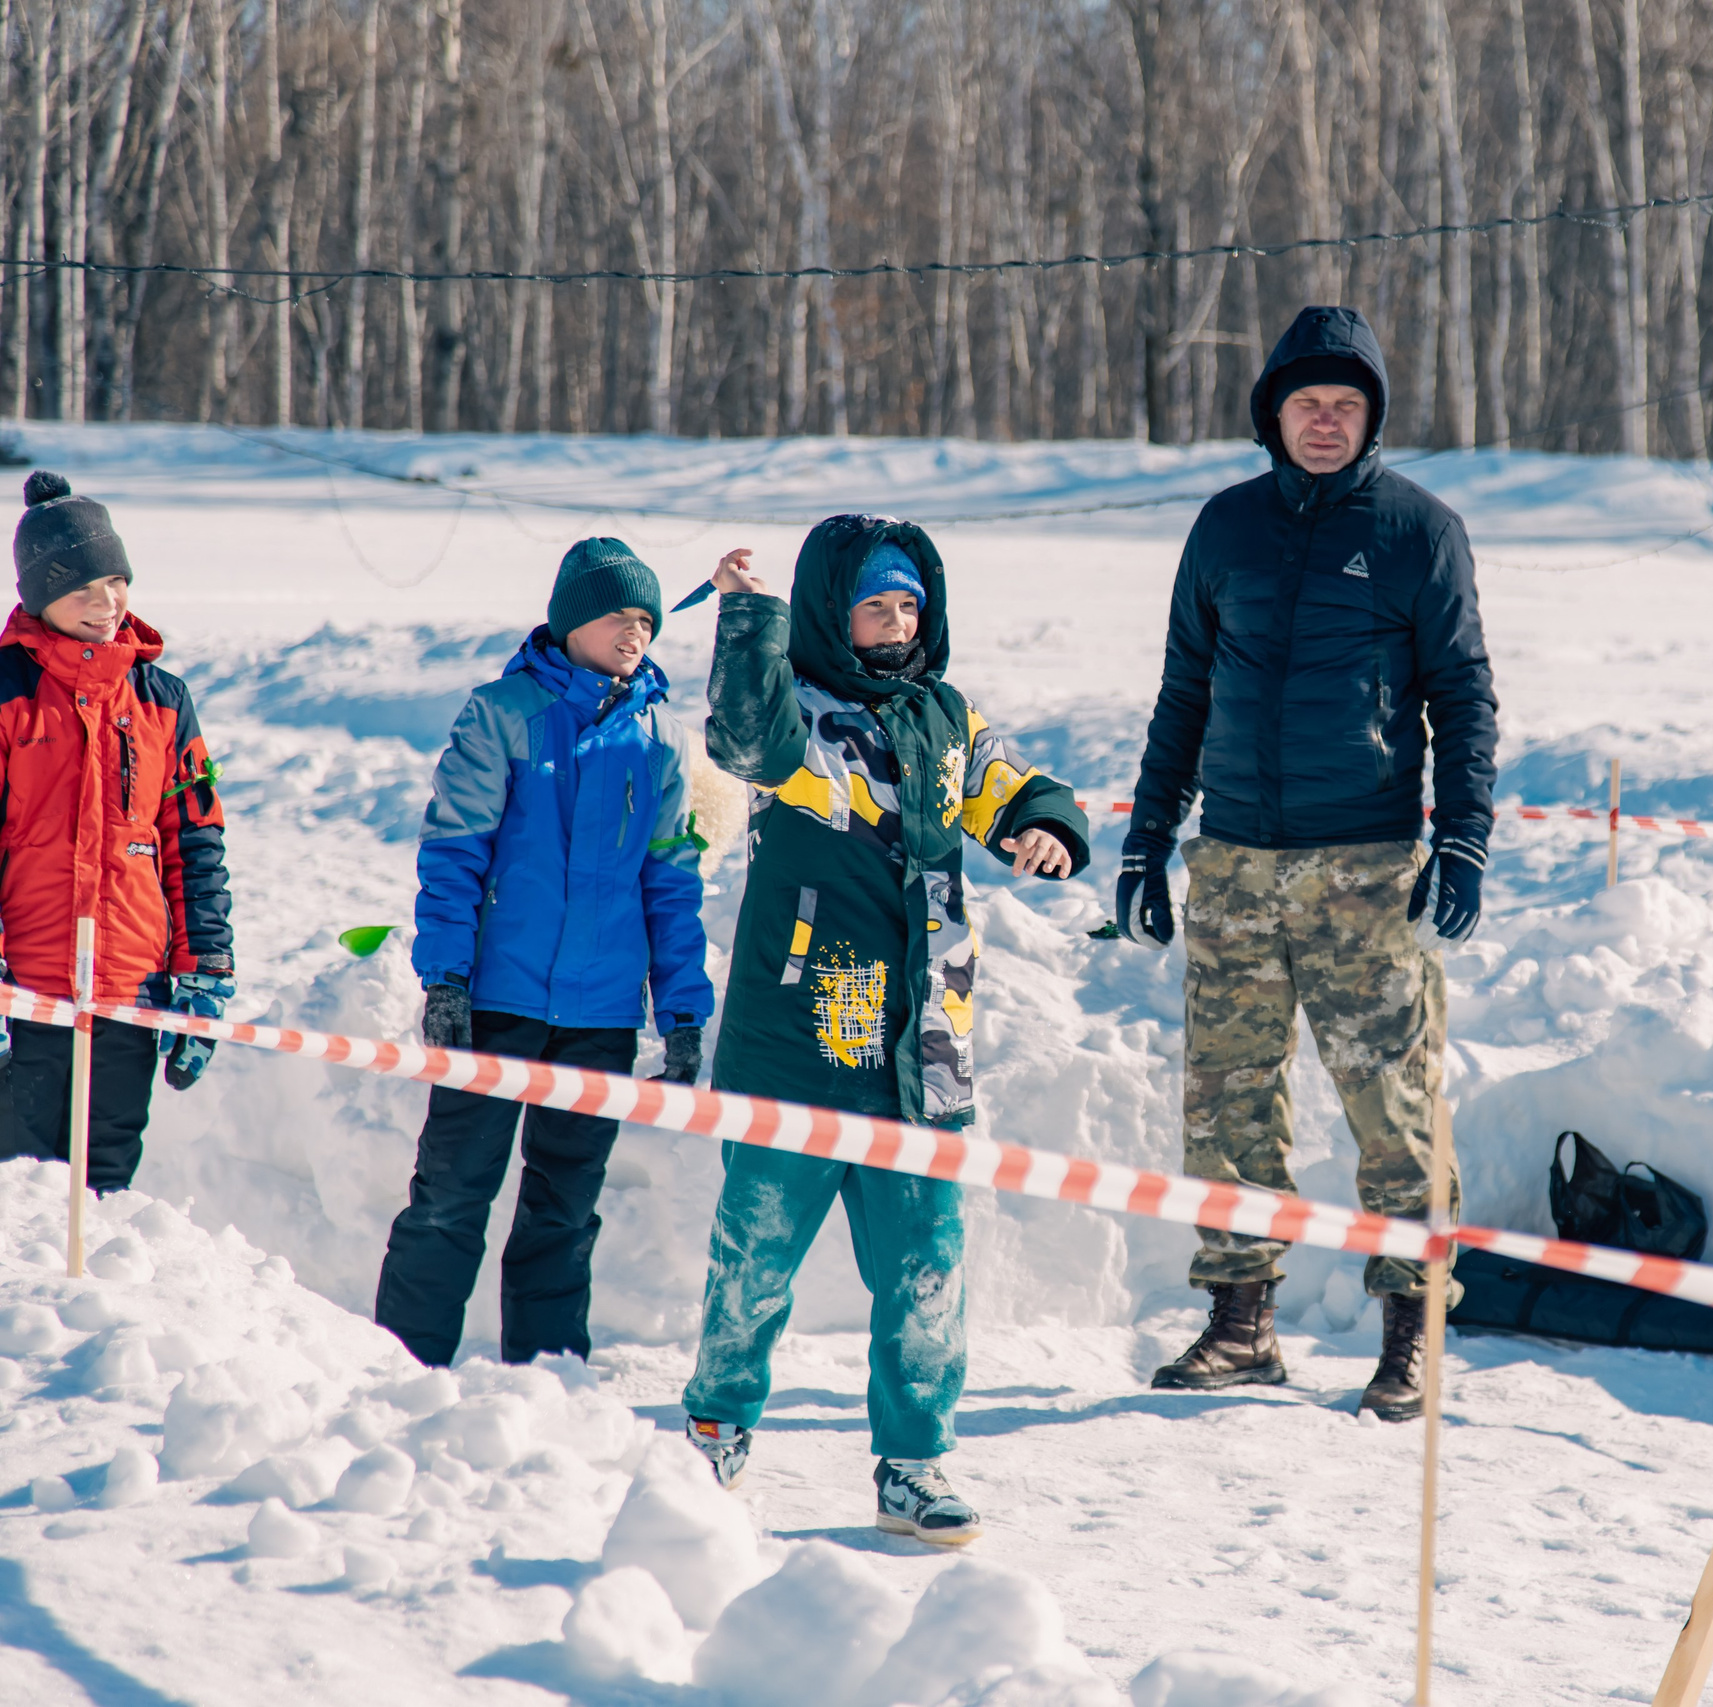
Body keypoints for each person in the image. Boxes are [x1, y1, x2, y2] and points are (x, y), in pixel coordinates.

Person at [678, 516, 1088, 1545]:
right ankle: (715, 1429)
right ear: (832, 613)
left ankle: (912, 1461)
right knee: (754, 1259)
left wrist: (1042, 824)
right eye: (874, 605)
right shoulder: (797, 716)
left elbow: (1006, 784)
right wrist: (748, 620)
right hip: (801, 1039)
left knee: (926, 1269)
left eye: (910, 604)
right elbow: (743, 738)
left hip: (923, 1050)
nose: (898, 622)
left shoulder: (944, 716)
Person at [1122, 305, 1499, 1422]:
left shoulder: (1419, 530)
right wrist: (1147, 839)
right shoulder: (1225, 527)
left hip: (1365, 868)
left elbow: (1463, 695)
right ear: (1273, 415)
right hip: (1234, 865)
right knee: (1228, 1105)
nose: (1325, 421)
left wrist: (1463, 835)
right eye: (1306, 403)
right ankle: (1241, 1325)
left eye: (1345, 405)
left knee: (1394, 1108)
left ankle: (1412, 1336)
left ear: (1372, 419)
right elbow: (1184, 692)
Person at [374, 537, 714, 1369]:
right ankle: (400, 1367)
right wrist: (446, 978)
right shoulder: (503, 714)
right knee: (452, 1192)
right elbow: (454, 852)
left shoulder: (664, 739)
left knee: (564, 1208)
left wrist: (681, 1009)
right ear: (570, 622)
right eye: (617, 616)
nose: (635, 633)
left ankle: (548, 1377)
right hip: (499, 1001)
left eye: (647, 621)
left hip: (601, 1017)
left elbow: (672, 883)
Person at [0, 472, 234, 1190]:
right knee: (19, 1185)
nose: (106, 604)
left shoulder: (164, 700)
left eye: (115, 581)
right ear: (40, 599)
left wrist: (206, 969)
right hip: (27, 989)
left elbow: (195, 842)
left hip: (132, 987)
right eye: (82, 590)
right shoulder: (7, 692)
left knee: (104, 1179)